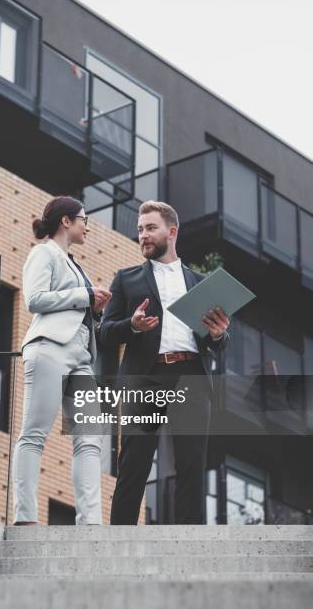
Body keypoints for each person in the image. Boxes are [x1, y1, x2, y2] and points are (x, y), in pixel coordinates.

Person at [98, 200, 230, 524]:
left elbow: (220, 342)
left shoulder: (201, 283)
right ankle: (119, 540)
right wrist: (132, 325)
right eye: (140, 229)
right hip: (146, 375)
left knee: (191, 466)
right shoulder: (126, 279)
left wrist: (218, 334)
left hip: (191, 375)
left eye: (150, 228)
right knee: (134, 463)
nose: (143, 235)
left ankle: (191, 544)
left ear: (171, 231)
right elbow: (104, 333)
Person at [12, 196, 112, 525]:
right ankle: (25, 517)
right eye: (84, 219)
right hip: (50, 347)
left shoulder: (75, 264)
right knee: (34, 432)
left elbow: (76, 310)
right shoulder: (43, 253)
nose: (87, 226)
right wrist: (84, 296)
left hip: (81, 357)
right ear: (66, 221)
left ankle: (91, 522)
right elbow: (34, 299)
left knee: (90, 437)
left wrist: (93, 309)